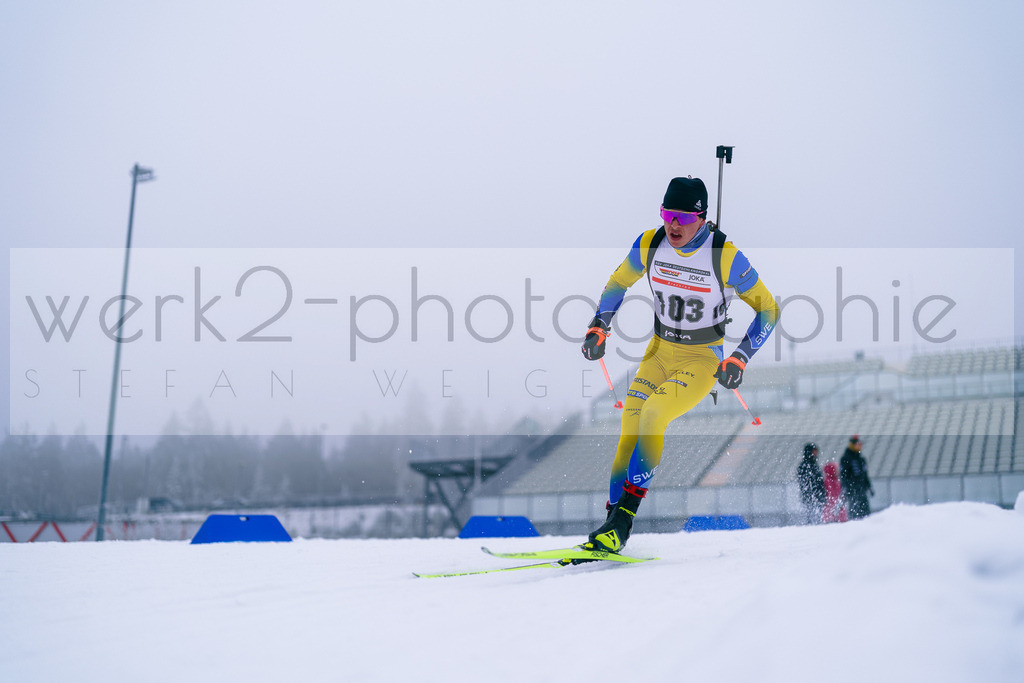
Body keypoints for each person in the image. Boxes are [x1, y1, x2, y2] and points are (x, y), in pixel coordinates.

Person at [580, 176, 780, 552]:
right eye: (667, 214)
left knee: (654, 414)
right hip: (658, 352)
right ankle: (610, 522)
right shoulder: (650, 243)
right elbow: (618, 282)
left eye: (683, 218)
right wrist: (599, 325)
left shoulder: (725, 256)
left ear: (702, 218)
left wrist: (741, 356)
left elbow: (768, 309)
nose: (673, 225)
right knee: (630, 425)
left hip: (702, 359)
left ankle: (623, 520)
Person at [840, 435, 874, 519]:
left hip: (862, 489)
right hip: (852, 490)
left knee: (865, 510)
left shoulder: (861, 459)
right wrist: (847, 487)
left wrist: (869, 487)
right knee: (855, 510)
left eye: (860, 444)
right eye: (858, 444)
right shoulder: (846, 458)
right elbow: (843, 475)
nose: (860, 446)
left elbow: (865, 474)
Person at [796, 443, 826, 525]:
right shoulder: (805, 466)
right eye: (814, 451)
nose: (816, 453)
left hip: (817, 495)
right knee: (811, 516)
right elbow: (804, 482)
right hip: (810, 496)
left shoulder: (814, 465)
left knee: (817, 517)